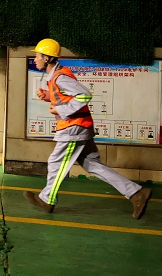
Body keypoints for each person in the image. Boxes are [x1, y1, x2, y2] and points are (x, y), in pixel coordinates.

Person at [24, 39, 152, 218]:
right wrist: (48, 96)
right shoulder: (56, 76)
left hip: (73, 128)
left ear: (46, 58)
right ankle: (137, 194)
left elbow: (84, 95)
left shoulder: (60, 77)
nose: (35, 58)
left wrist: (60, 109)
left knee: (55, 162)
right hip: (80, 126)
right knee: (93, 165)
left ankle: (47, 200)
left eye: (37, 55)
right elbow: (66, 97)